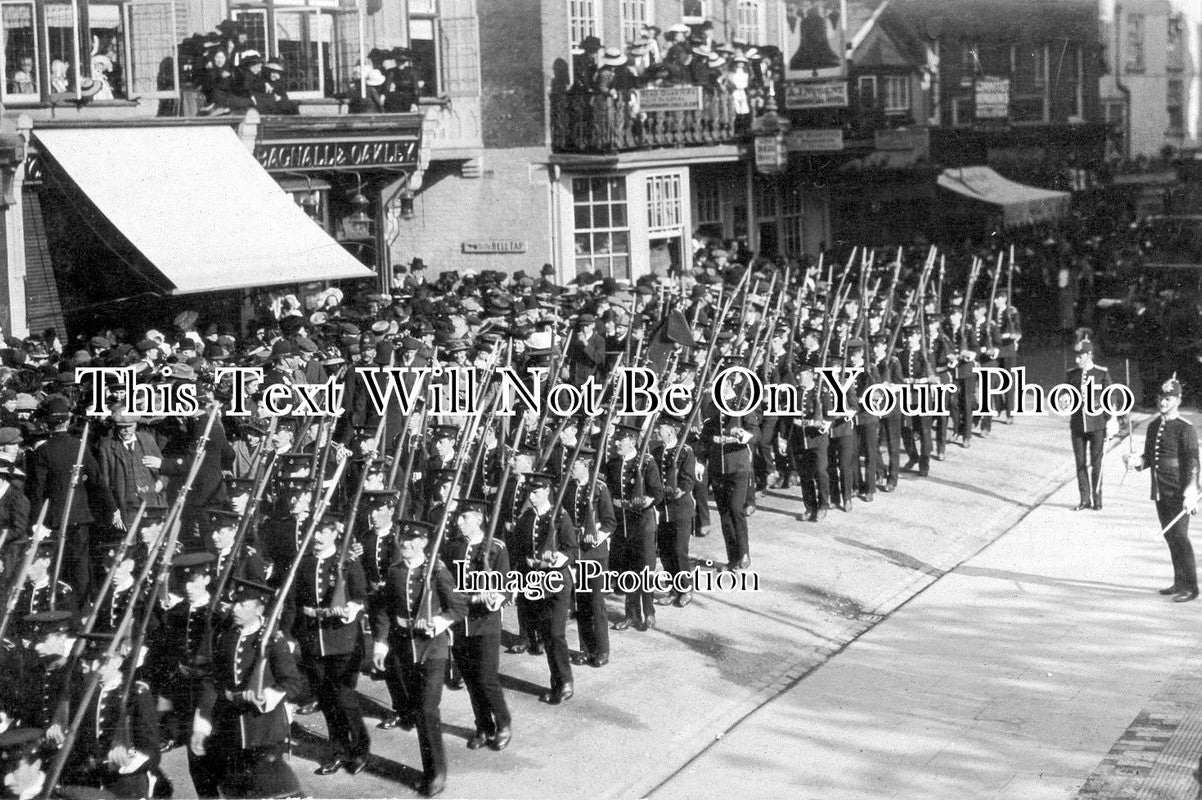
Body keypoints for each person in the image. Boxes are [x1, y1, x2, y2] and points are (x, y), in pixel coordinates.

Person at [371, 520, 467, 798]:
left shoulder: (437, 571)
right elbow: (386, 610)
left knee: (427, 710)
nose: (407, 544)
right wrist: (380, 643)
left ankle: (436, 773)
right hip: (404, 649)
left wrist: (437, 621)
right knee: (416, 710)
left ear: (425, 543)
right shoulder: (395, 571)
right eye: (404, 540)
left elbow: (458, 606)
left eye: (414, 540)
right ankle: (431, 767)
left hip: (433, 649)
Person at [191, 578, 303, 799]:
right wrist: (201, 728)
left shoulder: (272, 640)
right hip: (232, 728)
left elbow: (292, 682)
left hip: (265, 729)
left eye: (244, 605)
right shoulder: (227, 637)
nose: (236, 609)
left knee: (270, 786)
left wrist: (266, 696)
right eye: (235, 604)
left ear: (259, 608)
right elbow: (214, 683)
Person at [443, 500, 512, 750]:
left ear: (479, 519)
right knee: (471, 679)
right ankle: (484, 726)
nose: (458, 522)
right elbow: (447, 586)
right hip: (461, 623)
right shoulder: (452, 548)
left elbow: (505, 584)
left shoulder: (496, 548)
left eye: (464, 518)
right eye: (458, 518)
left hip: (486, 622)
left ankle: (503, 722)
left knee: (487, 677)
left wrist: (494, 596)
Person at [1126, 376, 1200, 602]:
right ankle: (1178, 582)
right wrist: (1136, 461)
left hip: (1179, 490)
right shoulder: (1153, 426)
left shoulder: (1185, 428)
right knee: (1170, 537)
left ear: (1177, 400)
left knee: (1180, 537)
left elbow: (1193, 463)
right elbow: (1149, 458)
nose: (1162, 402)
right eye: (1160, 398)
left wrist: (1191, 491)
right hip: (1160, 489)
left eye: (1168, 399)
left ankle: (1191, 587)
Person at [1066, 339, 1115, 511]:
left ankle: (1097, 497)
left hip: (1097, 425)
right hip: (1078, 425)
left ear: (1089, 355)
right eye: (1076, 356)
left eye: (1080, 356)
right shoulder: (1072, 374)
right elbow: (1066, 394)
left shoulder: (1101, 373)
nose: (1077, 360)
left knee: (1096, 462)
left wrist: (1111, 420)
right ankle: (1084, 499)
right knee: (1080, 462)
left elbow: (1110, 398)